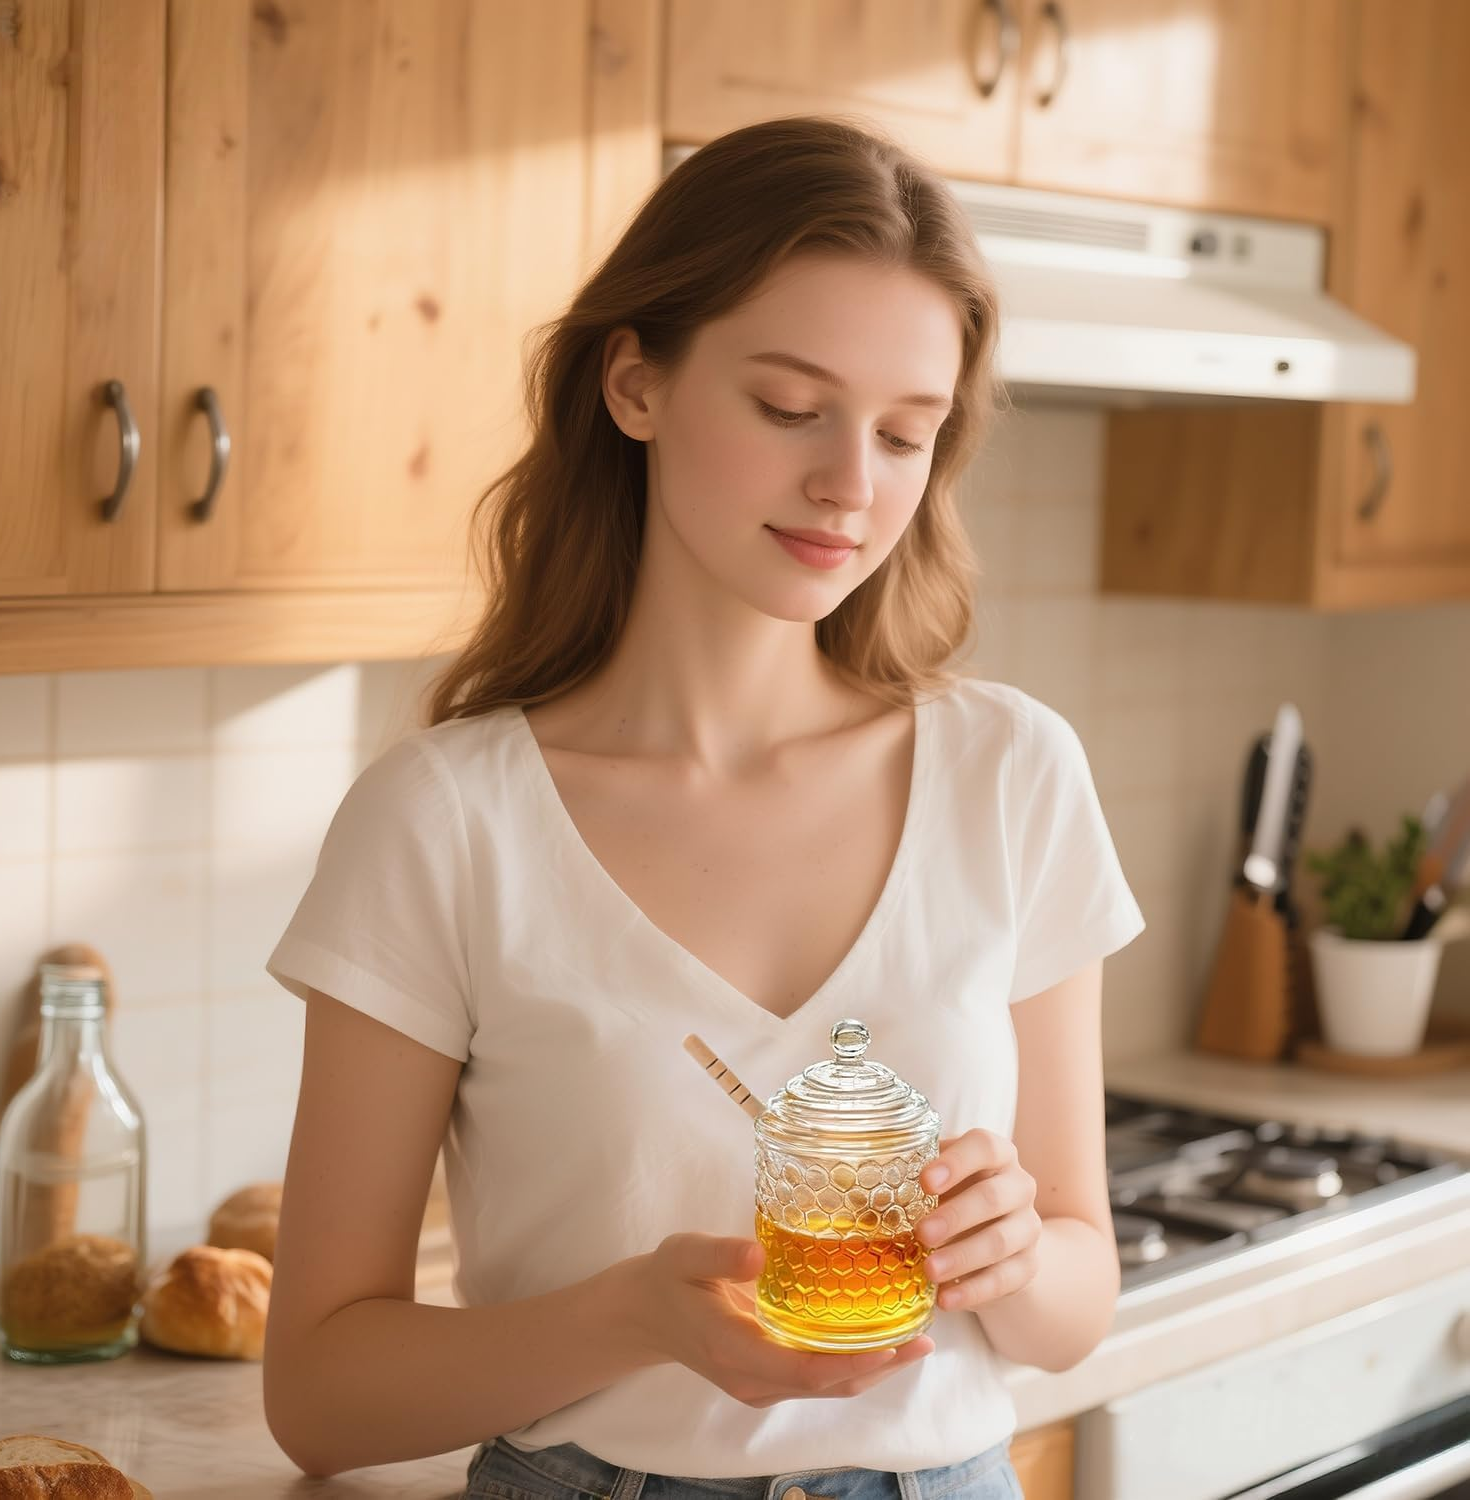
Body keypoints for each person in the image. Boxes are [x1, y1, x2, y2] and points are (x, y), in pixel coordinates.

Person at [262, 114, 1145, 1498]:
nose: (851, 487)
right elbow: (318, 1394)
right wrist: (630, 1318)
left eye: (907, 435)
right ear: (636, 385)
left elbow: (1078, 1297)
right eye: (791, 408)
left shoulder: (1013, 776)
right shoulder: (445, 823)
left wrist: (1019, 1258)